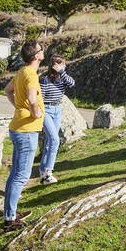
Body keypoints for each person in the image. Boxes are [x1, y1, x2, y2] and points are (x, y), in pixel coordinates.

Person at [3, 39, 44, 232]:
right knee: (21, 175)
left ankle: (10, 213)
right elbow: (32, 98)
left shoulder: (21, 72)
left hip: (18, 127)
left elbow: (8, 90)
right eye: (41, 50)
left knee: (15, 174)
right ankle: (10, 219)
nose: (43, 52)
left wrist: (19, 108)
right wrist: (35, 112)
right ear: (36, 56)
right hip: (27, 131)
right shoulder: (31, 75)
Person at [37, 54, 75, 184]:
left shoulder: (63, 78)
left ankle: (42, 172)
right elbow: (40, 98)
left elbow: (72, 83)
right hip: (46, 110)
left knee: (49, 141)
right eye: (62, 64)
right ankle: (48, 172)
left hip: (57, 109)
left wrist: (62, 72)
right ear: (55, 65)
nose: (65, 66)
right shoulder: (44, 79)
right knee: (54, 139)